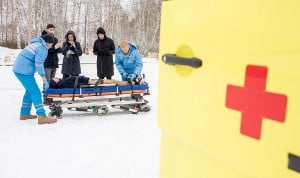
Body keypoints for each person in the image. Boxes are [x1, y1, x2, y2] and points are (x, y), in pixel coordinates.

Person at [12, 34, 57, 124]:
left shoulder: (37, 43)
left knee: (29, 91)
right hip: (23, 70)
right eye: (51, 45)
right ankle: (42, 116)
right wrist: (44, 79)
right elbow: (39, 64)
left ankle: (24, 113)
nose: (51, 47)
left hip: (20, 68)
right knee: (35, 92)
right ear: (49, 43)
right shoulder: (42, 48)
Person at [48, 76, 130, 89]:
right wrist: (88, 85)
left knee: (111, 81)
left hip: (89, 81)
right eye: (54, 79)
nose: (55, 77)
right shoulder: (62, 83)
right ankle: (127, 83)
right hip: (90, 82)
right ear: (55, 83)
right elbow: (75, 84)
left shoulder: (62, 82)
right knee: (111, 81)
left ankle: (126, 83)